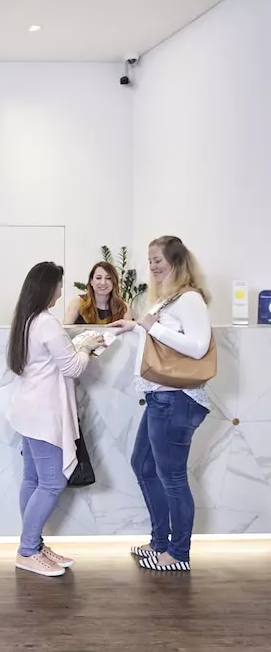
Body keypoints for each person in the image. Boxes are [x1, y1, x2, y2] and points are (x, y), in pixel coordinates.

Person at [109, 236, 212, 572]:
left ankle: (178, 554)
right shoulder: (169, 299)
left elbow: (198, 347)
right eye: (150, 260)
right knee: (143, 465)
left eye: (158, 260)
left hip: (176, 399)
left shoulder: (190, 298)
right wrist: (134, 327)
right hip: (160, 398)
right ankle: (160, 543)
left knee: (172, 478)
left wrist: (153, 327)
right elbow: (157, 335)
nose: (152, 266)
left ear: (176, 261)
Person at [5, 262, 103, 577]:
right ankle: (27, 550)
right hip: (43, 414)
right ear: (48, 287)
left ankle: (34, 544)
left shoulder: (26, 320)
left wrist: (76, 349)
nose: (61, 291)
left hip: (27, 411)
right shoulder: (46, 323)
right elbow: (72, 368)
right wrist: (87, 348)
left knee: (33, 480)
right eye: (59, 285)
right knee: (52, 482)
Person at [63, 261, 132, 325]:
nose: (103, 282)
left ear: (114, 282)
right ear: (91, 281)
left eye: (108, 278)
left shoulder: (123, 308)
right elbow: (66, 330)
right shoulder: (78, 302)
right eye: (98, 278)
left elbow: (129, 334)